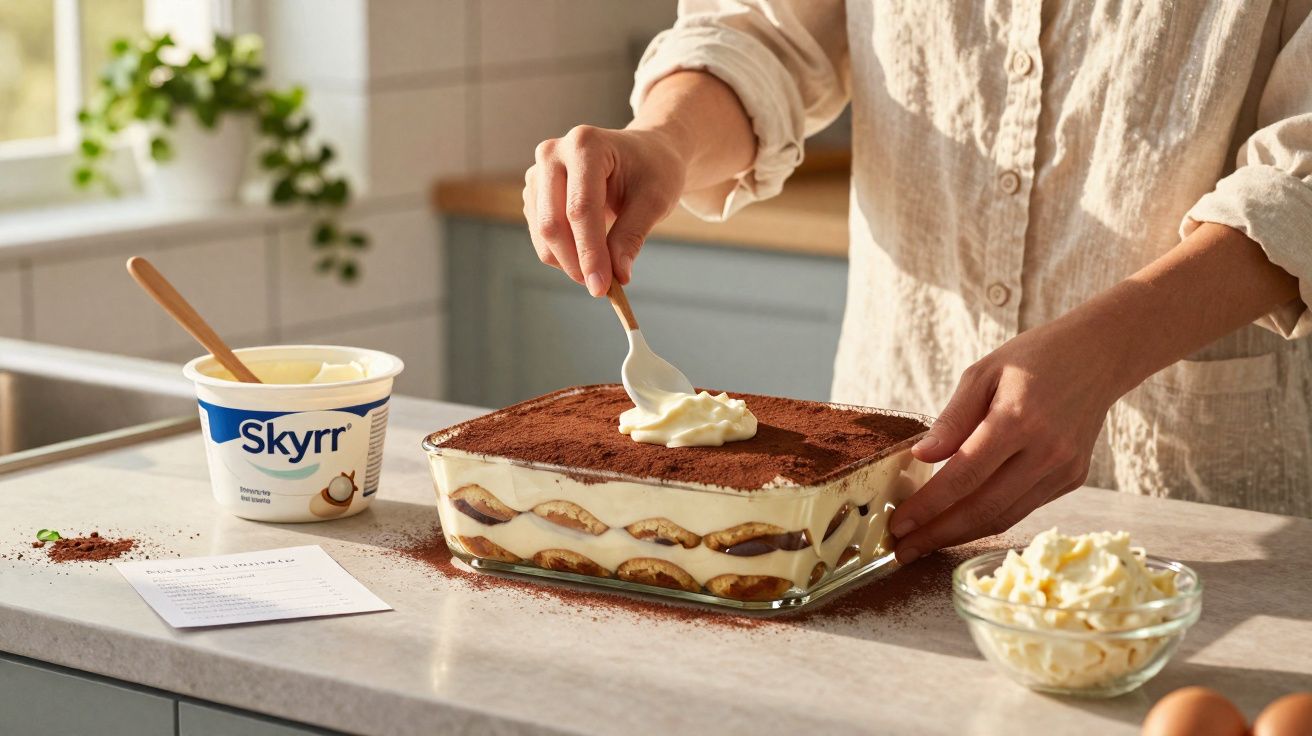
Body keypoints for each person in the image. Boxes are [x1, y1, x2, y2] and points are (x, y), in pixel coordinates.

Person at [521, 1, 1312, 562]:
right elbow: (765, 33)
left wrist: (1109, 350)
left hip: (1211, 519)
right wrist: (667, 139)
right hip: (880, 495)